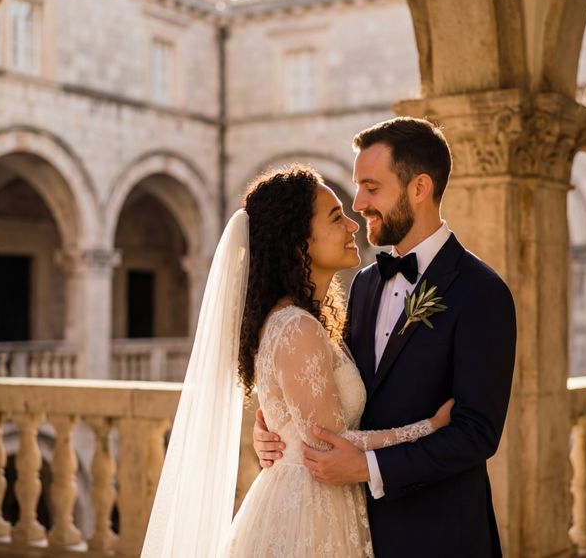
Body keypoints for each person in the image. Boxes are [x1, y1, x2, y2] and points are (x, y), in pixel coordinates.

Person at [141, 165, 453, 558]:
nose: (352, 225)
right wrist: (428, 428)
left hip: (323, 499)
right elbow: (328, 444)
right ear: (297, 241)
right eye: (336, 217)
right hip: (308, 511)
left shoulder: (312, 319)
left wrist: (277, 434)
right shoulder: (295, 326)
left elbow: (307, 423)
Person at [254, 117, 518, 557]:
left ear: (419, 188)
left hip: (440, 534)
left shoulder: (481, 291)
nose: (358, 203)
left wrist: (369, 466)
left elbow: (476, 433)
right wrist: (275, 428)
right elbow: (334, 389)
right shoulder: (364, 283)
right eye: (357, 188)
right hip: (354, 530)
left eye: (371, 188)